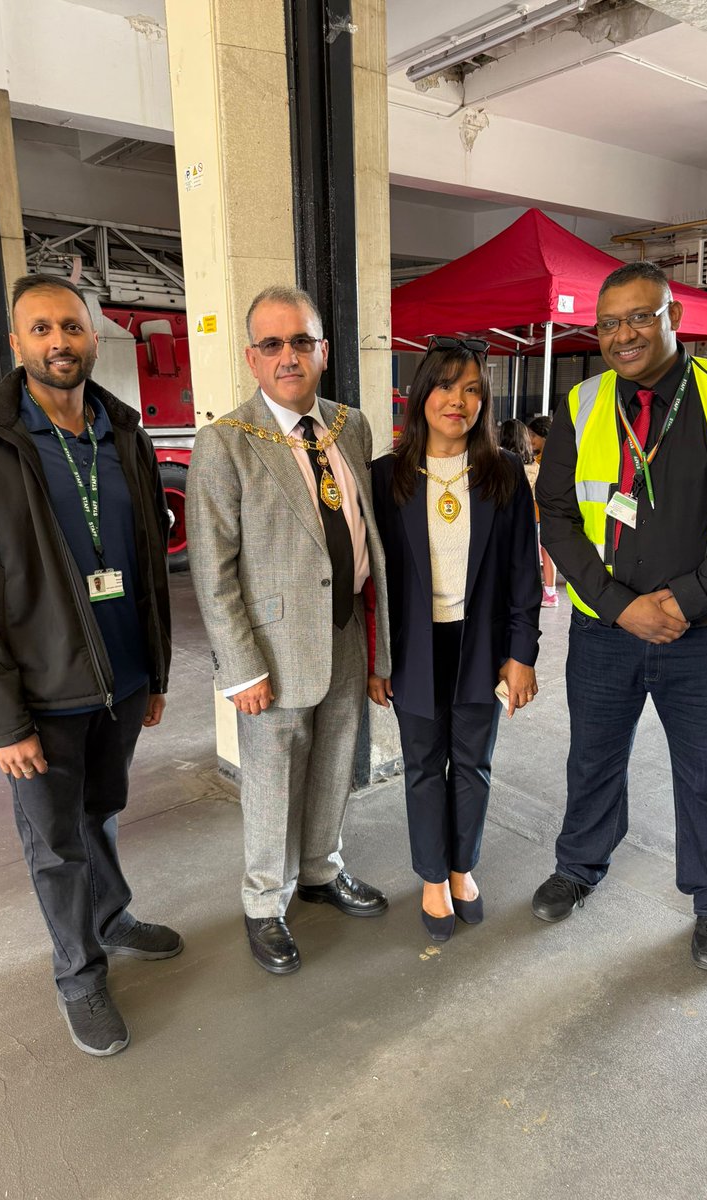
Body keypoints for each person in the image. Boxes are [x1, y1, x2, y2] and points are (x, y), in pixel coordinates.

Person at [0, 274, 178, 1057]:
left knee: (99, 811)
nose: (58, 343)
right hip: (40, 696)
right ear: (16, 341)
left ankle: (110, 917)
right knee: (54, 843)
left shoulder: (123, 431)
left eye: (70, 327)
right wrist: (4, 722)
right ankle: (78, 973)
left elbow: (144, 560)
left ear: (92, 336)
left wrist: (158, 673)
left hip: (122, 677)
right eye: (40, 329)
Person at [531, 261, 707, 972]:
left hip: (704, 637)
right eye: (610, 322)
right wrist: (620, 607)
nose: (624, 334)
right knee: (592, 761)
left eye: (641, 316)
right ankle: (579, 866)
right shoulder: (583, 405)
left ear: (673, 317)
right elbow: (554, 513)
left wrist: (685, 600)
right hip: (604, 633)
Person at [187, 285, 391, 975]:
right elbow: (212, 570)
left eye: (301, 341)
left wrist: (378, 645)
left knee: (336, 761)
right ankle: (264, 906)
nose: (288, 356)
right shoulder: (226, 443)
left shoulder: (350, 427)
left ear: (323, 351)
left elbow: (364, 533)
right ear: (251, 357)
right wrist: (239, 668)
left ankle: (320, 872)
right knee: (273, 781)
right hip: (271, 651)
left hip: (344, 630)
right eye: (272, 344)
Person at [369, 337, 541, 941]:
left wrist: (521, 654)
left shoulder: (505, 475)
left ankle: (462, 866)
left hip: (479, 647)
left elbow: (524, 573)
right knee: (422, 765)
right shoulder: (386, 477)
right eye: (445, 385)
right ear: (422, 395)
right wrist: (378, 658)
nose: (458, 400)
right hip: (415, 647)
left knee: (473, 763)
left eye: (472, 389)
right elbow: (375, 583)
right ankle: (431, 876)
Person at [528, 416, 558, 607]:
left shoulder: (548, 460)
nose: (530, 440)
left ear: (544, 436)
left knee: (547, 552)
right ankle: (549, 591)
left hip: (545, 512)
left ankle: (550, 592)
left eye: (533, 435)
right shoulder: (541, 458)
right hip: (544, 512)